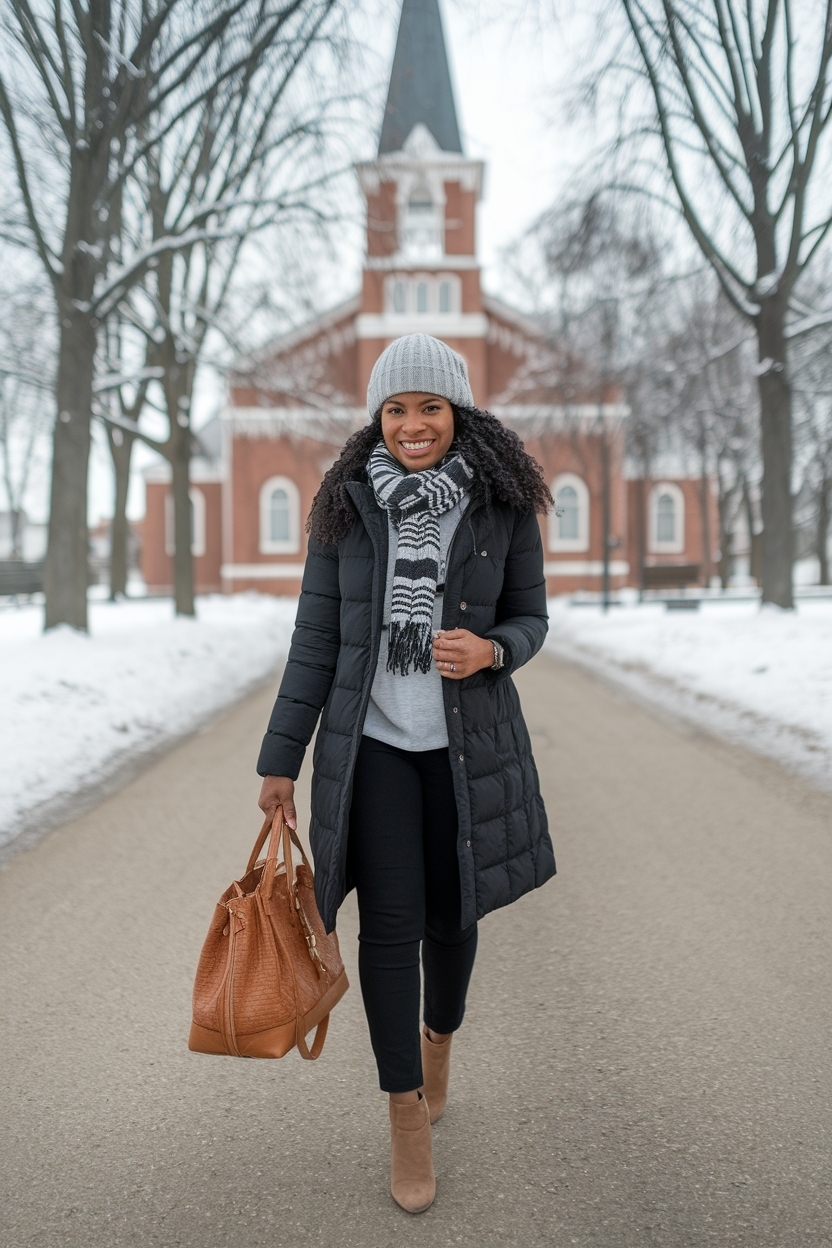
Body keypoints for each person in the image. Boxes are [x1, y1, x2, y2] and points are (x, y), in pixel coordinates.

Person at [257, 333, 556, 1213]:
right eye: (396, 408)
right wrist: (282, 759)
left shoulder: (501, 505)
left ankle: (439, 1042)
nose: (413, 424)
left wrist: (494, 649)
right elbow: (315, 640)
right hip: (375, 749)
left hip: (468, 750)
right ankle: (404, 1112)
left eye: (430, 407)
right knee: (388, 931)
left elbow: (532, 617)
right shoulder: (346, 509)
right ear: (376, 418)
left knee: (451, 919)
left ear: (458, 415)